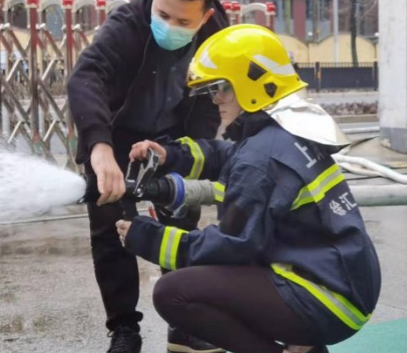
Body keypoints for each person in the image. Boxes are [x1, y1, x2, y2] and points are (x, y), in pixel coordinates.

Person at [115, 24, 382, 353]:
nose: (215, 99)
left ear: (251, 84)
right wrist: (171, 154)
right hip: (342, 285)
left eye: (221, 89)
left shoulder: (260, 157)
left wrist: (146, 236)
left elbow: (232, 245)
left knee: (173, 292)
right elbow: (226, 155)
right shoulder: (282, 135)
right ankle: (307, 345)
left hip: (325, 296)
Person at [66, 0, 228, 353]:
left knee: (181, 225)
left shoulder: (217, 34)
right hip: (115, 139)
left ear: (205, 16)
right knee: (111, 233)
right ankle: (125, 330)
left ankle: (185, 324)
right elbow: (86, 77)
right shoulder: (127, 25)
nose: (170, 27)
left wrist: (194, 153)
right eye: (163, 14)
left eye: (184, 23)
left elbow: (215, 97)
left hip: (174, 140)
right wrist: (99, 148)